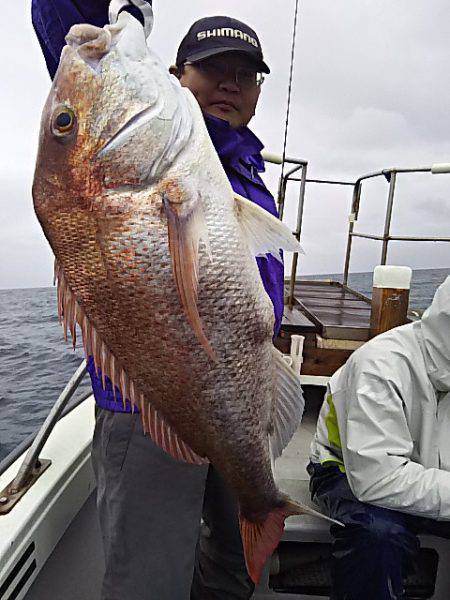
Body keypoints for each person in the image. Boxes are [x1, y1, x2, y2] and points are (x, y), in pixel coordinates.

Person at [32, 2, 284, 599]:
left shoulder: (240, 168)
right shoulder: (154, 153)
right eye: (211, 67)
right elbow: (60, 22)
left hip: (238, 394)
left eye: (245, 74)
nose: (229, 83)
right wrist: (119, 14)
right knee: (149, 582)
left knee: (231, 563)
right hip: (149, 409)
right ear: (177, 77)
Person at [308, 275, 450, 600]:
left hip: (432, 477)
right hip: (347, 471)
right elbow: (377, 481)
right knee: (377, 536)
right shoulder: (379, 366)